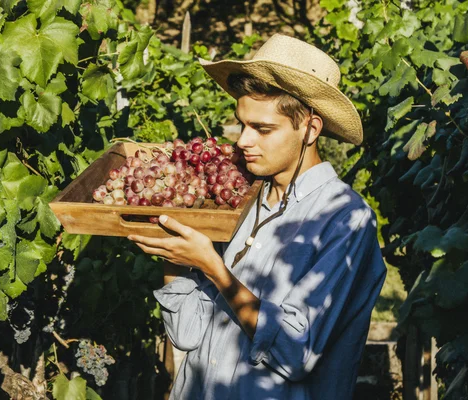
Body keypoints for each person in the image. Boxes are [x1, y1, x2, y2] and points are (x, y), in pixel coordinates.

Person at [128, 34, 387, 400]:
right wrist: (176, 252)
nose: (243, 141)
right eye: (242, 124)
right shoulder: (234, 201)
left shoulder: (345, 220)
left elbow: (296, 352)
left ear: (310, 130)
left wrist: (213, 268)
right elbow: (186, 333)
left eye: (263, 129)